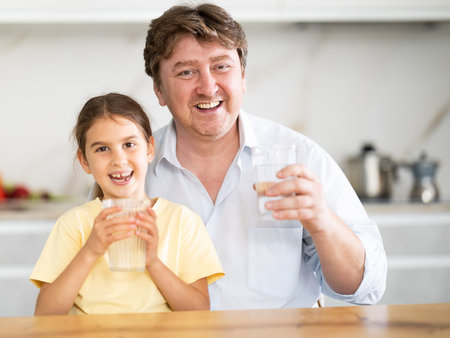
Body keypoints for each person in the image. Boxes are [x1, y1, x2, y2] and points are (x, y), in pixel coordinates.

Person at [142, 3, 387, 310]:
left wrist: (323, 222)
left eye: (221, 66)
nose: (207, 87)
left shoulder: (299, 157)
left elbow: (367, 288)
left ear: (242, 77)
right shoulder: (130, 170)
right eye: (186, 72)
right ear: (159, 91)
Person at [30, 93, 224, 315]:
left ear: (150, 149)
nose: (119, 159)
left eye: (129, 144)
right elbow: (45, 315)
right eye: (102, 149)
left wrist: (153, 262)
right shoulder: (74, 224)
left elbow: (199, 311)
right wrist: (90, 251)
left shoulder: (183, 222)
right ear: (84, 161)